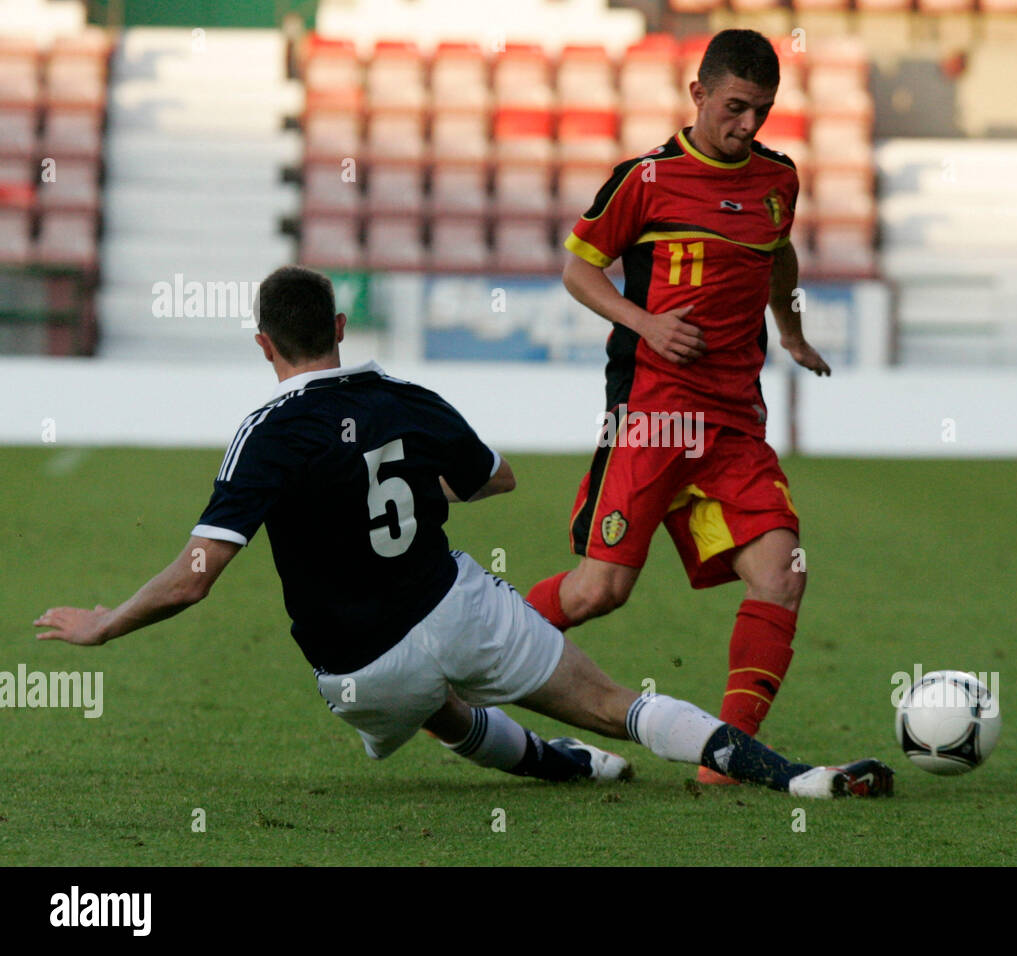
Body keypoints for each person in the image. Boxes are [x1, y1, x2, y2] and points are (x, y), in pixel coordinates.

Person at [33, 266, 892, 800]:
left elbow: (195, 574)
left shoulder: (265, 434)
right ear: (339, 329)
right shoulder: (405, 400)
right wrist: (416, 477)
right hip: (456, 609)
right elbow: (496, 477)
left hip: (357, 672)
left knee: (438, 710)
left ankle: (562, 767)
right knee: (613, 704)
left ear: (264, 345)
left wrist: (105, 623)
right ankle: (792, 778)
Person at [525, 29, 830, 785]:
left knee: (783, 571)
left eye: (762, 110)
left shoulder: (777, 181)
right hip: (653, 415)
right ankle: (460, 650)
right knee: (600, 591)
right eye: (735, 107)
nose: (748, 125)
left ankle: (727, 760)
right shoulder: (646, 180)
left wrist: (790, 329)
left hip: (733, 423)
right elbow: (578, 269)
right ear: (697, 94)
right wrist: (644, 322)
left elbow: (780, 252)